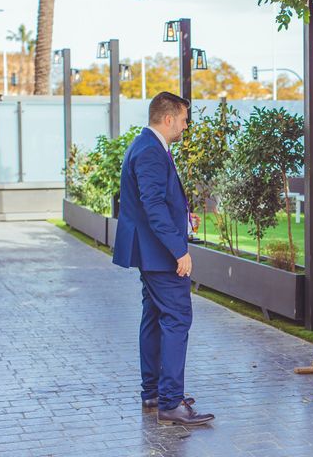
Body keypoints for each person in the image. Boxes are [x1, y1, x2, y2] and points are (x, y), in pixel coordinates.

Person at [112, 92, 214, 426]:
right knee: (177, 318)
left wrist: (185, 220)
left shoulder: (146, 146)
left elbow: (156, 203)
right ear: (168, 119)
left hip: (151, 252)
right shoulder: (151, 151)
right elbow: (153, 206)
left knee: (155, 319)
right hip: (160, 254)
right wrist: (179, 250)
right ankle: (170, 402)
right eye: (184, 119)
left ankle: (154, 393)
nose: (186, 125)